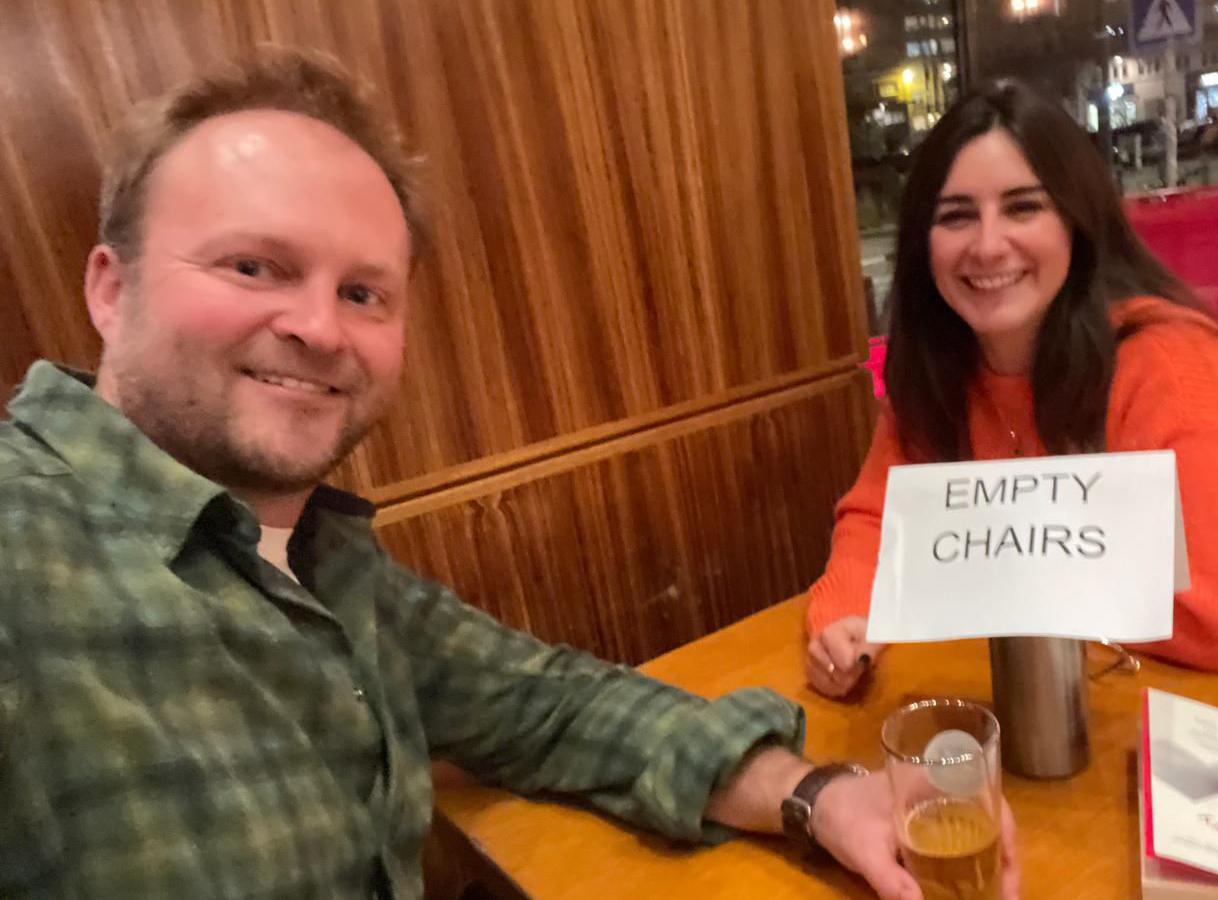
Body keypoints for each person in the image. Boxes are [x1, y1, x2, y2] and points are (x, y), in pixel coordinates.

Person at [0, 50, 1018, 900]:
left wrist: (819, 793)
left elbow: (553, 707)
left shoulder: (316, 563)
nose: (316, 327)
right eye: (251, 267)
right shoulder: (24, 555)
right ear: (109, 286)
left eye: (363, 291)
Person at [805, 79, 1218, 699]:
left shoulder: (1171, 362)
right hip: (1065, 670)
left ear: (1076, 223)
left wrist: (979, 583)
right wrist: (847, 617)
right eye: (956, 216)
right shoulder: (934, 367)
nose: (986, 245)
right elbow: (880, 518)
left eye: (1023, 208)